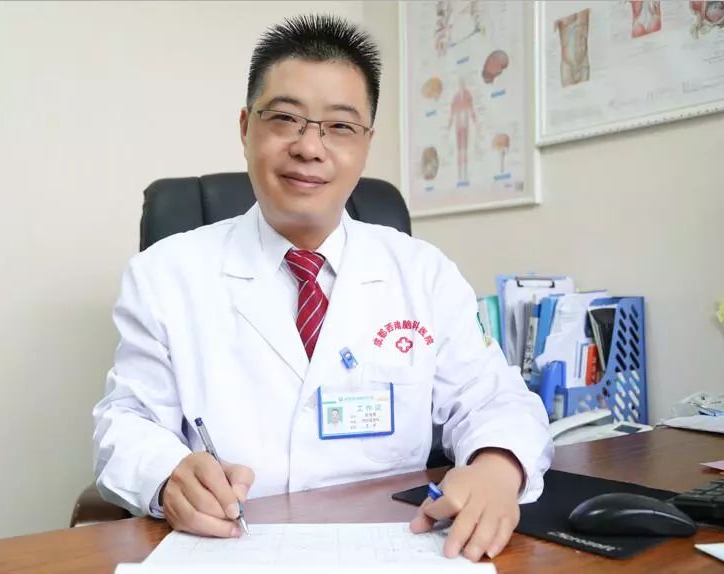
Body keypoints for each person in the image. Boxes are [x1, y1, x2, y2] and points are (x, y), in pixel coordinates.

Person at [93, 14, 552, 562]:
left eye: (339, 126)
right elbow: (127, 423)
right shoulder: (165, 274)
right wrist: (168, 473)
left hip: (392, 549)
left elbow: (496, 398)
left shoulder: (423, 273)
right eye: (285, 118)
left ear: (367, 144)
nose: (310, 147)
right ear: (245, 128)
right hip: (230, 548)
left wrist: (498, 468)